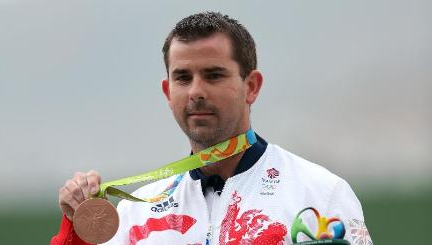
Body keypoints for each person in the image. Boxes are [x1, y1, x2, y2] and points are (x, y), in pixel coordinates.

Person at [51, 12, 372, 245]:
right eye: (183, 77)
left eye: (214, 75)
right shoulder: (137, 216)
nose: (196, 91)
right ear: (167, 92)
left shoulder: (318, 194)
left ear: (252, 86)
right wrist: (76, 231)